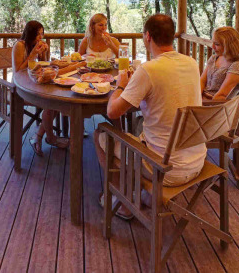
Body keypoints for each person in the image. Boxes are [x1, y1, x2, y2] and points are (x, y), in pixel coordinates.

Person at [93, 14, 204, 219]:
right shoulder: (191, 63)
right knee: (138, 125)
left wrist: (121, 85)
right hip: (197, 161)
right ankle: (144, 194)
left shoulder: (149, 70)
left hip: (165, 169)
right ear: (172, 37)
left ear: (148, 37)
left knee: (100, 132)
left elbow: (112, 112)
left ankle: (124, 202)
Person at [12, 20, 84, 156]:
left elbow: (42, 66)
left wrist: (43, 52)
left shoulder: (35, 45)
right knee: (52, 103)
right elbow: (18, 71)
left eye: (42, 34)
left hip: (35, 81)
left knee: (56, 100)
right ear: (30, 34)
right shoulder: (20, 45)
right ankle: (49, 138)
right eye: (38, 34)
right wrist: (33, 53)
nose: (40, 37)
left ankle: (38, 137)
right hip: (22, 87)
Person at [201, 26, 239, 102]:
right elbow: (202, 81)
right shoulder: (214, 58)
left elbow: (221, 95)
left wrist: (200, 106)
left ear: (229, 46)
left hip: (215, 105)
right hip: (202, 100)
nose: (212, 47)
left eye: (217, 44)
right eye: (213, 43)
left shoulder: (237, 65)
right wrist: (195, 98)